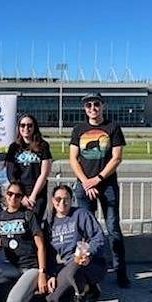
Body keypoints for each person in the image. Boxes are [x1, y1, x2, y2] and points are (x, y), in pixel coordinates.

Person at [69, 92, 129, 288]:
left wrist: (97, 179)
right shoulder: (78, 129)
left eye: (96, 104)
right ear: (84, 108)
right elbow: (73, 159)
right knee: (86, 233)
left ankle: (121, 271)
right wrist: (86, 182)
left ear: (102, 105)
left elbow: (116, 158)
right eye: (88, 105)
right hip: (84, 186)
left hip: (107, 186)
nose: (92, 108)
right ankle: (89, 273)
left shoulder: (113, 128)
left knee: (113, 230)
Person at [0, 181, 47, 302]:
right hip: (13, 266)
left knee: (13, 300)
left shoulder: (28, 215)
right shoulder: (0, 216)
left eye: (18, 195)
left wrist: (42, 272)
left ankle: (27, 287)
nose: (13, 197)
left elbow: (41, 246)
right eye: (10, 193)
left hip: (31, 267)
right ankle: (23, 286)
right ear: (5, 195)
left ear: (22, 198)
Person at [44, 185, 107, 302]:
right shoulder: (49, 222)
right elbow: (49, 253)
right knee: (53, 298)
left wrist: (88, 253)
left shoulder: (81, 214)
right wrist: (51, 274)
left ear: (71, 200)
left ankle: (81, 293)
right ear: (53, 200)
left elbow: (98, 238)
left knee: (74, 270)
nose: (62, 202)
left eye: (66, 199)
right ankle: (89, 288)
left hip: (89, 263)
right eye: (58, 199)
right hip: (67, 266)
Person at [5, 114, 52, 222]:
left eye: (29, 125)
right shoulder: (13, 147)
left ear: (34, 127)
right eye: (23, 125)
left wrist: (33, 196)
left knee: (35, 224)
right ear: (19, 127)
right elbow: (10, 174)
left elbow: (44, 174)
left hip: (37, 193)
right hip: (19, 194)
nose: (26, 128)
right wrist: (21, 196)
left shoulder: (43, 145)